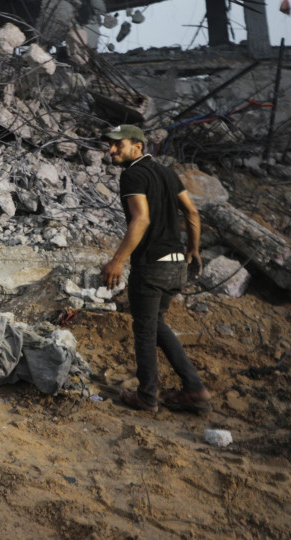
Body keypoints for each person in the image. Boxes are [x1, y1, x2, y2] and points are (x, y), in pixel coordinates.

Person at [100, 124, 212, 414]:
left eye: (118, 145)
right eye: (110, 145)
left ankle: (147, 397)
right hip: (176, 266)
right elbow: (192, 212)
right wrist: (193, 249)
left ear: (138, 147)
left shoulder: (133, 174)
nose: (112, 150)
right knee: (156, 324)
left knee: (145, 331)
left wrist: (118, 260)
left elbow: (141, 220)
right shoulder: (166, 173)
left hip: (151, 267)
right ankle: (195, 389)